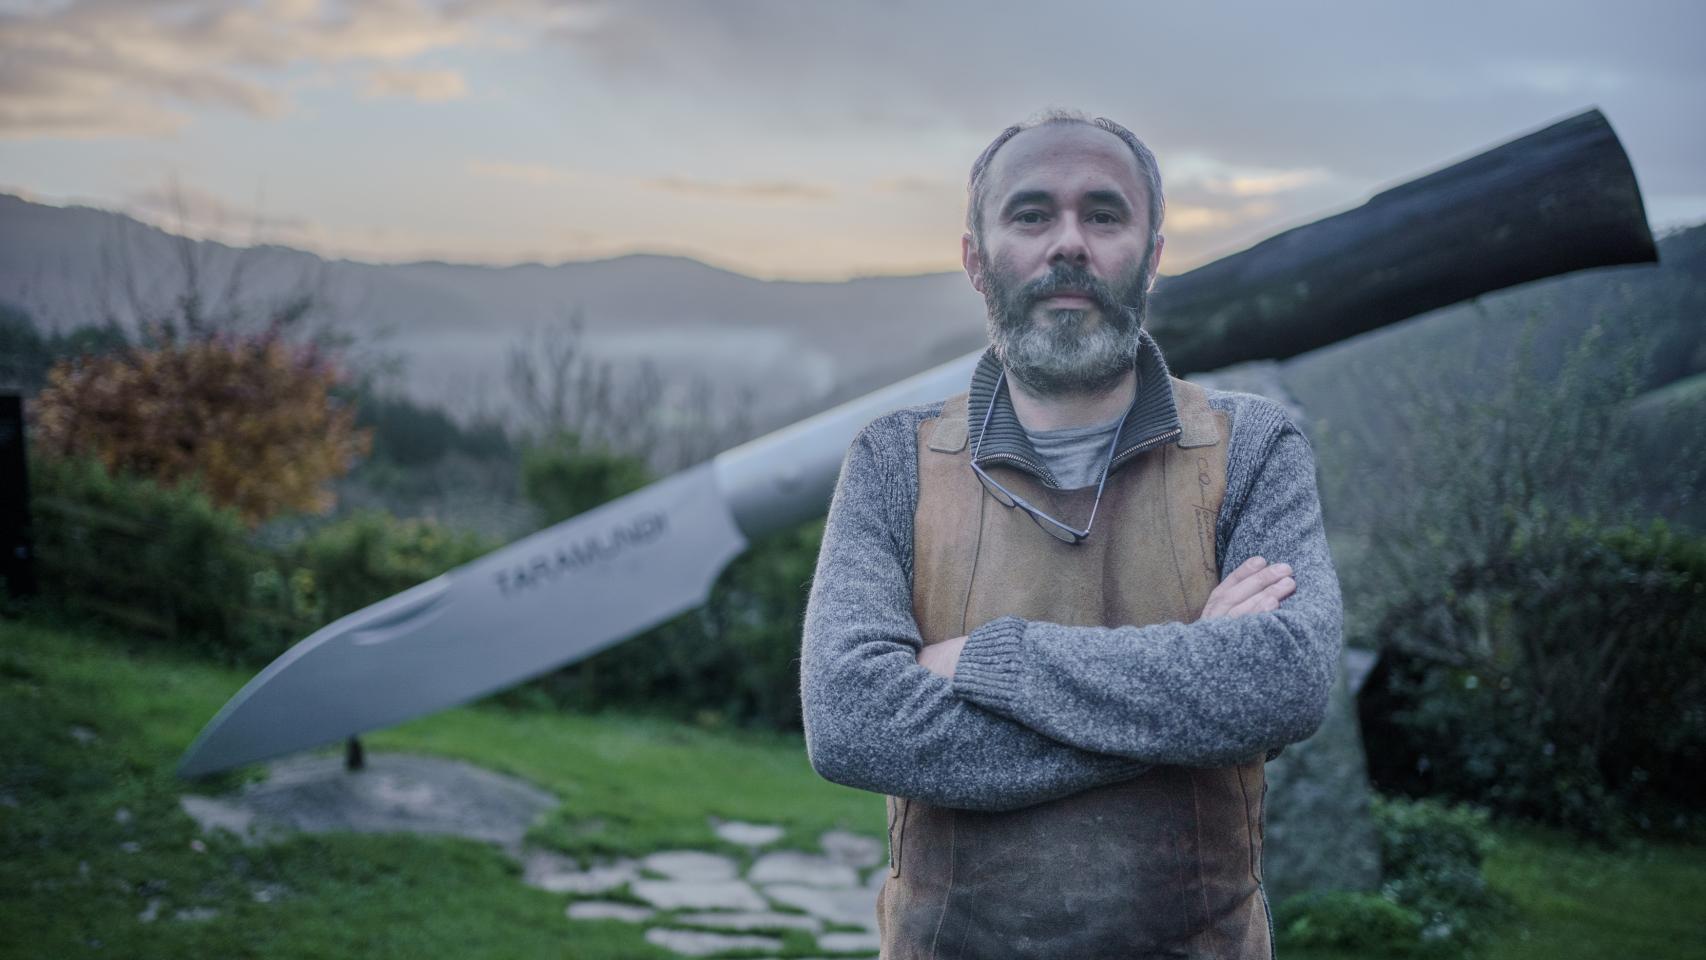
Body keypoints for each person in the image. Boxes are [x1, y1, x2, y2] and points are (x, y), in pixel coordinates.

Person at [799, 110, 1343, 959]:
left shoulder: (1252, 448)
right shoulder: (891, 461)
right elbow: (852, 724)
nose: (1069, 244)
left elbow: (1286, 681)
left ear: (1152, 254)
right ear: (976, 260)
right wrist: (1192, 690)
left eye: (1103, 214)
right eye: (1030, 215)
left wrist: (987, 661)